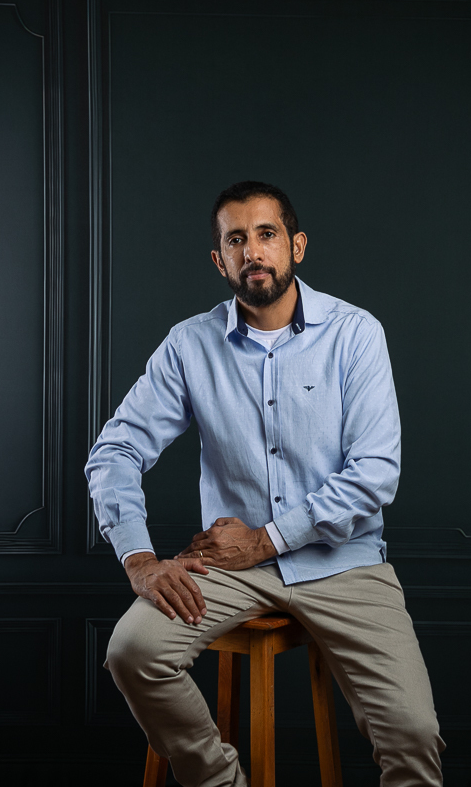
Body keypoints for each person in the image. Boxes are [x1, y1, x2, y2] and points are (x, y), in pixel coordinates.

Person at [85, 181, 444, 786]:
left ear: (296, 246)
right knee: (133, 652)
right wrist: (140, 560)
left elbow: (375, 474)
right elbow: (114, 451)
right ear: (219, 260)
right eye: (236, 240)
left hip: (344, 563)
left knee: (413, 735)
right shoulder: (189, 345)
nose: (252, 251)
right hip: (231, 569)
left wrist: (264, 539)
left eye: (266, 234)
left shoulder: (355, 334)